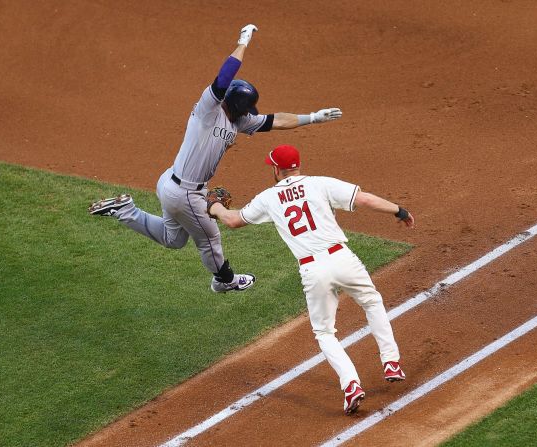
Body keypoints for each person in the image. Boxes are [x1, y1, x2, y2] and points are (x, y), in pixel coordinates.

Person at [88, 24, 343, 293]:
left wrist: (313, 118)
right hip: (185, 191)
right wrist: (243, 42)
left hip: (172, 184)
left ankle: (125, 210)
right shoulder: (208, 109)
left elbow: (275, 120)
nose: (250, 114)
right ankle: (225, 280)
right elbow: (224, 76)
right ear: (236, 105)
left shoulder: (239, 120)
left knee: (172, 239)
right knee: (210, 237)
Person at [207, 144, 415, 415]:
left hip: (312, 269)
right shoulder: (320, 184)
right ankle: (391, 362)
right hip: (342, 258)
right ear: (297, 165)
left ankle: (350, 383)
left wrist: (214, 209)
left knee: (325, 332)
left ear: (276, 169)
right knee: (372, 302)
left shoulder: (269, 198)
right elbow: (363, 199)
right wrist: (398, 210)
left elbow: (233, 220)